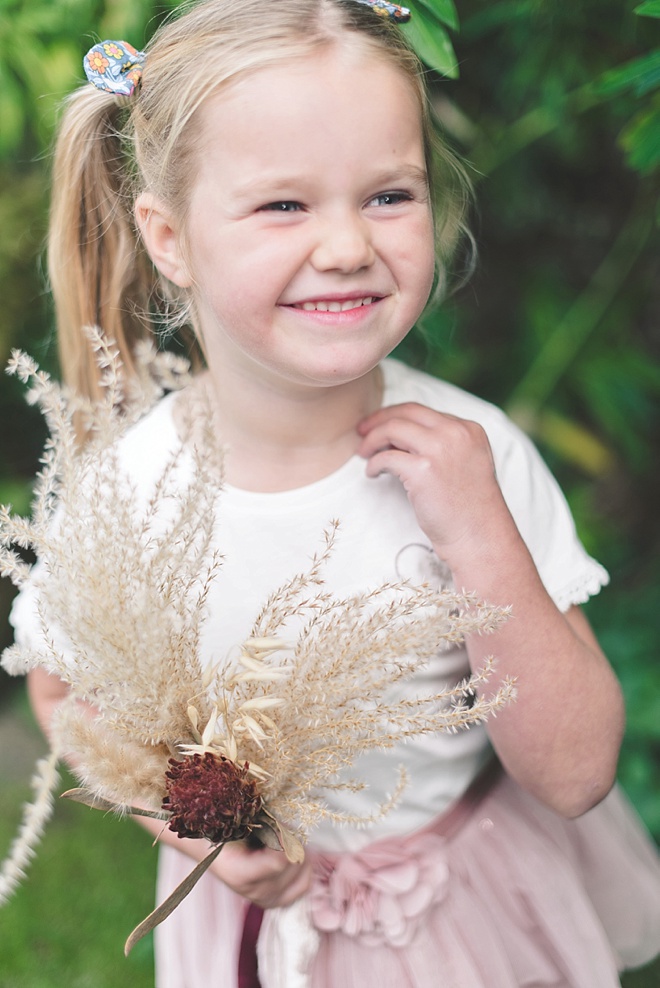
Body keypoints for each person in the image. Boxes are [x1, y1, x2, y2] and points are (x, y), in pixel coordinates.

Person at [12, 1, 660, 985]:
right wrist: (184, 824)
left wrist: (483, 539)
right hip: (252, 941)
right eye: (284, 205)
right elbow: (62, 690)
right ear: (170, 235)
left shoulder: (476, 459)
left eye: (389, 195)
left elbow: (574, 774)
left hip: (465, 922)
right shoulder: (127, 497)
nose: (350, 245)